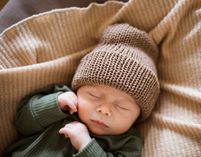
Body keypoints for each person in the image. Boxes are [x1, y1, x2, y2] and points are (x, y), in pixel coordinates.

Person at [4, 23, 160, 157]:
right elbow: (22, 124)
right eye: (94, 95)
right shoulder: (63, 101)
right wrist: (55, 104)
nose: (104, 110)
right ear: (78, 89)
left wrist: (86, 145)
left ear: (138, 116)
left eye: (122, 107)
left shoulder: (128, 143)